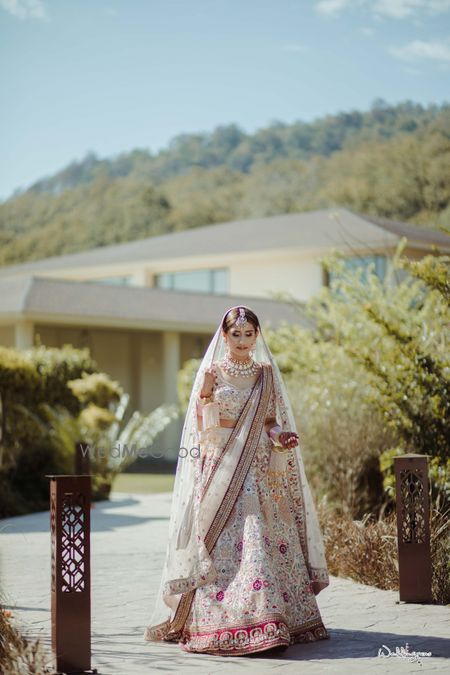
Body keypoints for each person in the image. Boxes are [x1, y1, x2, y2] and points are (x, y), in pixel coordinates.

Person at [144, 305, 330, 656]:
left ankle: (271, 619)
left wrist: (281, 437)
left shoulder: (266, 374)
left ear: (257, 336)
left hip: (258, 468)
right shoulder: (212, 373)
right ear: (225, 336)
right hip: (222, 466)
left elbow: (269, 422)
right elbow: (205, 431)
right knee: (229, 541)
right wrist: (205, 396)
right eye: (236, 335)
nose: (243, 341)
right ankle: (227, 619)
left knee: (260, 535)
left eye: (249, 334)